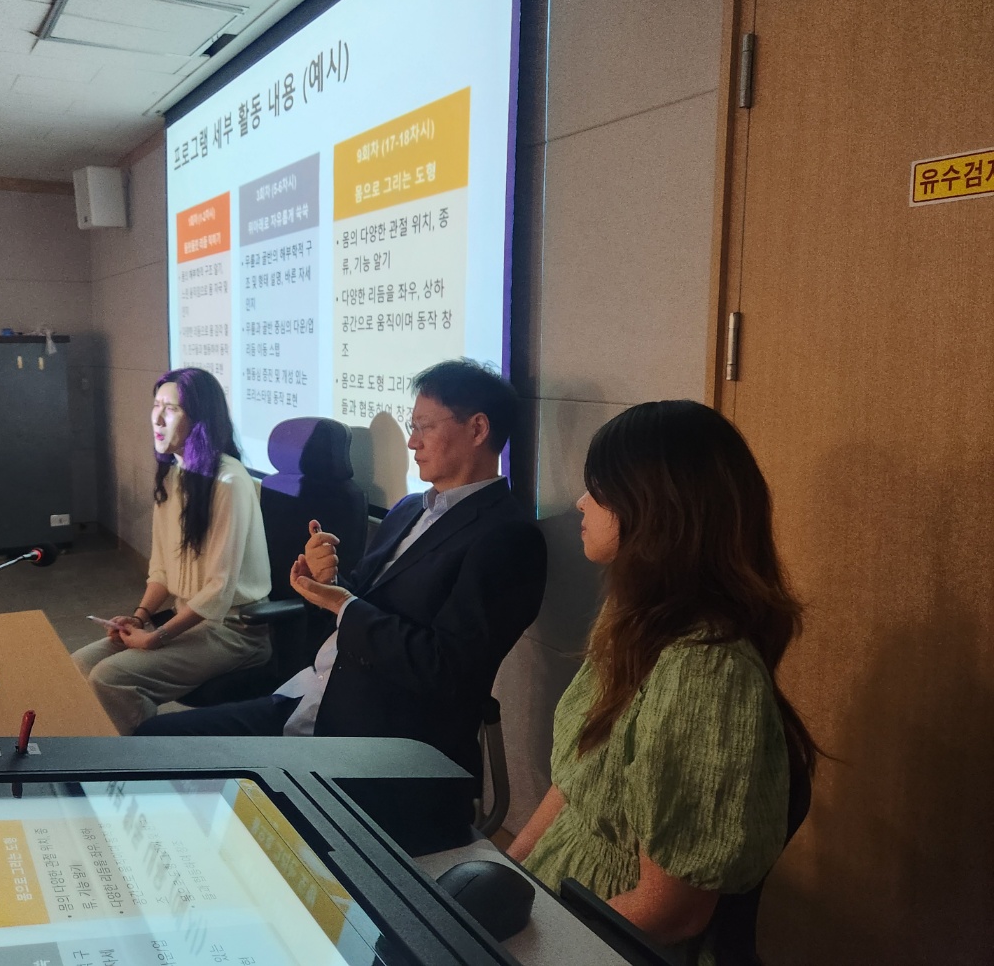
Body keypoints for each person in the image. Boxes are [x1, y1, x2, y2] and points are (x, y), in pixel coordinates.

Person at [137, 360, 547, 827]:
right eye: (412, 427)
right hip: (309, 697)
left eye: (425, 427)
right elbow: (358, 602)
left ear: (477, 429)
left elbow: (447, 669)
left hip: (380, 742)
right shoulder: (409, 509)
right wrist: (326, 583)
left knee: (231, 816)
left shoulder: (507, 538)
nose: (412, 442)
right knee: (152, 741)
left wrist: (342, 603)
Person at [506, 400, 818, 962]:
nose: (580, 502)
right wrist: (508, 875)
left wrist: (534, 947)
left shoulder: (705, 672)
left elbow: (671, 912)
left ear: (655, 508)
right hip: (560, 913)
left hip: (602, 943)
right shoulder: (635, 621)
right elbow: (576, 783)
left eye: (598, 489)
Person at [72, 367, 272, 734]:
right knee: (81, 664)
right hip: (190, 622)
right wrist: (140, 617)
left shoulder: (229, 482)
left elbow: (218, 589)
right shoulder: (172, 475)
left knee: (111, 678)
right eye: (156, 405)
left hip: (234, 632)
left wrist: (157, 637)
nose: (158, 418)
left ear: (200, 420)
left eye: (172, 408)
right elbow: (162, 569)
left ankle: (151, 759)